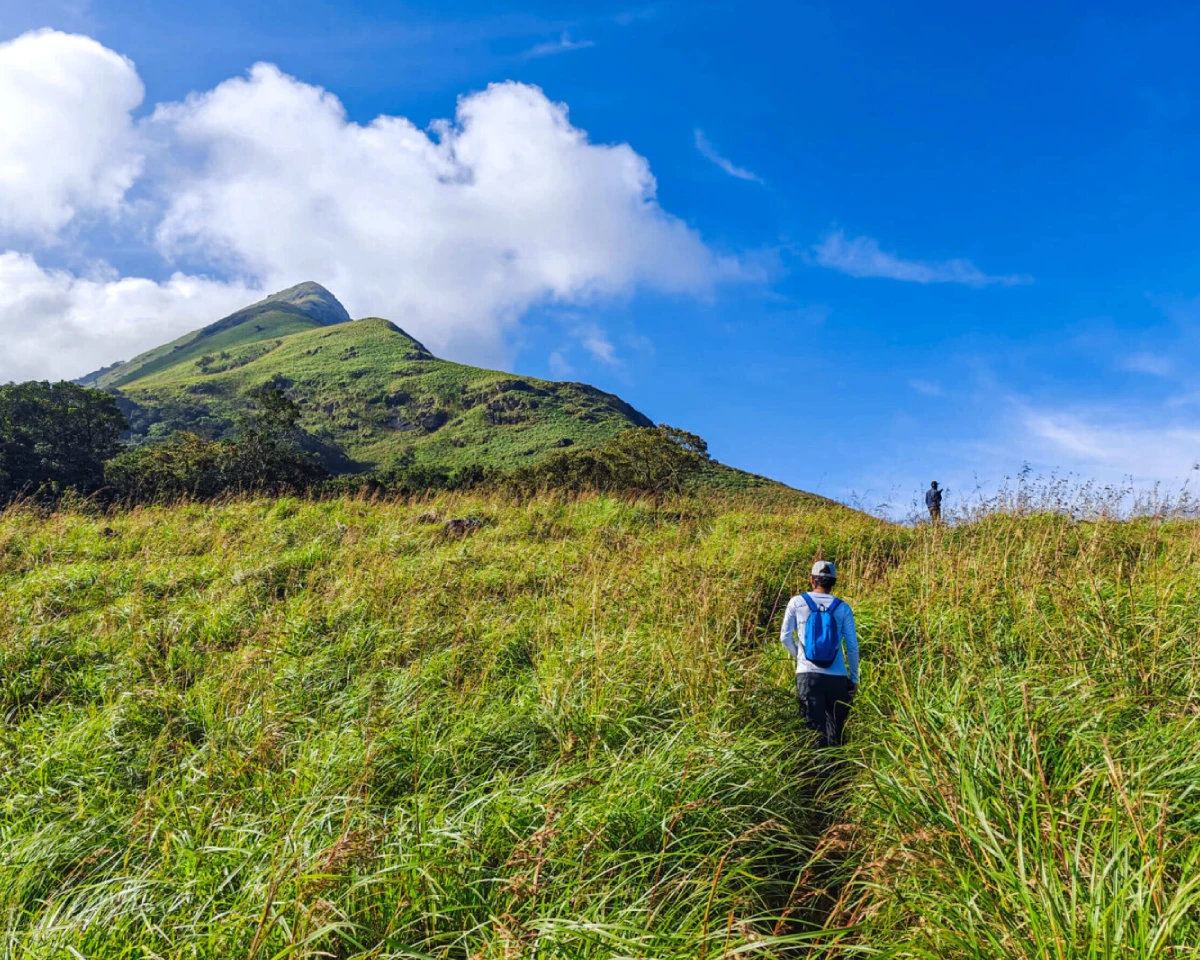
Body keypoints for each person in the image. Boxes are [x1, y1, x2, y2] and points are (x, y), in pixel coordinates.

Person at [780, 560, 859, 748]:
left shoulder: (797, 602)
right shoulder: (843, 607)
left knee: (813, 730)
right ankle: (837, 774)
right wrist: (853, 678)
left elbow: (784, 637)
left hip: (808, 675)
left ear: (811, 580)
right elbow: (852, 646)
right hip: (837, 677)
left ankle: (814, 775)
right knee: (836, 732)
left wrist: (799, 656)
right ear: (833, 582)